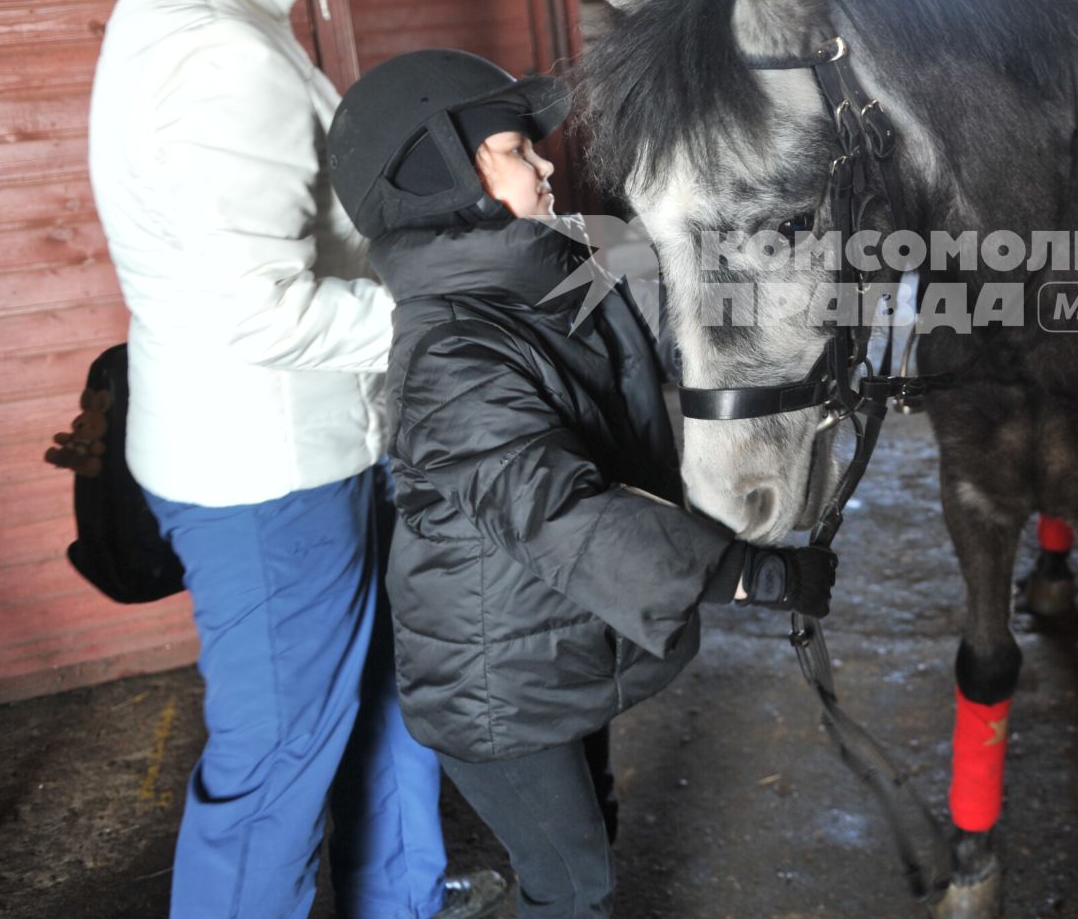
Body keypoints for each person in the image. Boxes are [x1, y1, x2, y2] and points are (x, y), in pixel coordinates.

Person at [88, 0, 502, 918]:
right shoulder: (220, 50)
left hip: (299, 452)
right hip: (267, 474)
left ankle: (399, 896)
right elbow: (254, 304)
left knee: (378, 707)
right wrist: (447, 306)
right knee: (273, 767)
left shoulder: (202, 8)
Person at [325, 48, 839, 919]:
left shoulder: (531, 294)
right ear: (438, 175)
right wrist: (746, 572)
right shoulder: (453, 350)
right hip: (494, 685)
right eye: (517, 151)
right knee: (573, 889)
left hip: (545, 647)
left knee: (587, 835)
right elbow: (555, 509)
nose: (546, 160)